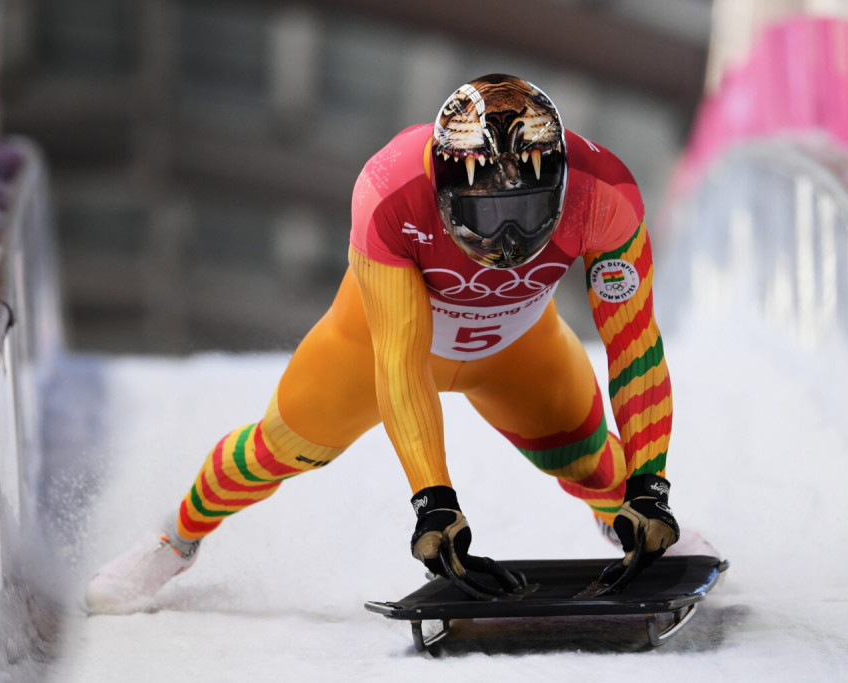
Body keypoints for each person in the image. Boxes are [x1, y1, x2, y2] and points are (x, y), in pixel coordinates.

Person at [86, 74, 678, 612]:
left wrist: (650, 487)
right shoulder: (391, 190)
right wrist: (434, 501)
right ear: (445, 190)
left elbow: (634, 346)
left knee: (597, 463)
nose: (509, 235)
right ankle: (175, 537)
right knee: (274, 450)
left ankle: (633, 524)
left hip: (517, 350)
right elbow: (401, 361)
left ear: (560, 181)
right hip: (377, 351)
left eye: (526, 209)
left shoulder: (604, 193)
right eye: (489, 211)